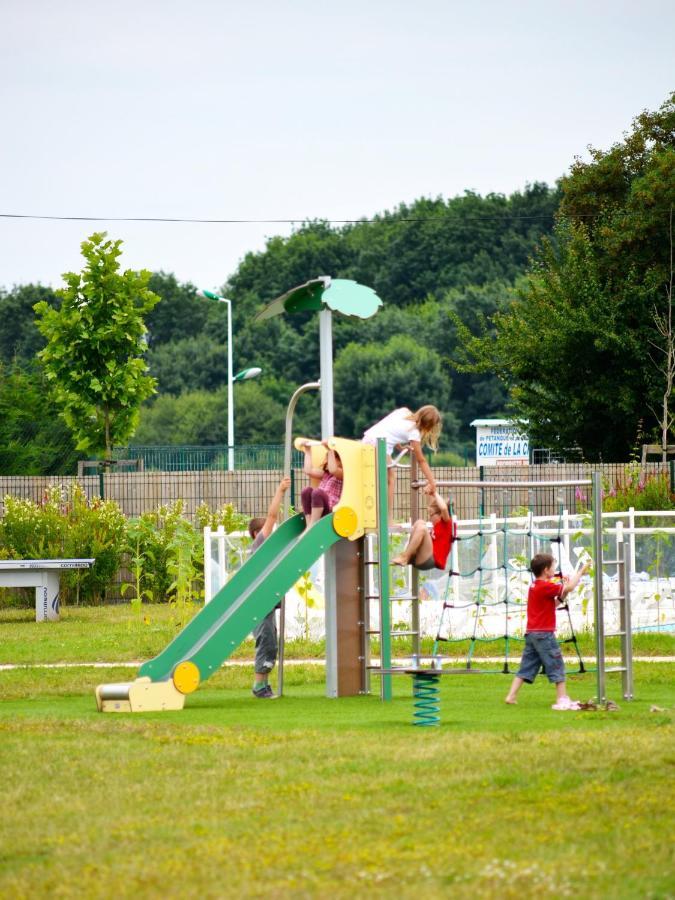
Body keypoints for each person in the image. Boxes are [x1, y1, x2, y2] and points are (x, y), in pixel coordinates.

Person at [505, 552, 590, 710]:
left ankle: (511, 696)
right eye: (553, 567)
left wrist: (562, 590)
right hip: (544, 634)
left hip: (532, 634)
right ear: (546, 570)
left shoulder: (535, 586)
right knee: (556, 664)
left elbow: (554, 604)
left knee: (526, 666)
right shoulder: (546, 586)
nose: (554, 570)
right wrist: (581, 572)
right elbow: (570, 587)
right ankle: (562, 699)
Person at [248, 474, 291, 699]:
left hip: (266, 604)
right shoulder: (260, 544)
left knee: (271, 643)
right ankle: (259, 686)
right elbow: (273, 515)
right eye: (266, 529)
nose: (270, 531)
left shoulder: (265, 549)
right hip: (259, 605)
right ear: (258, 533)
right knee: (265, 641)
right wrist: (280, 491)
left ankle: (264, 684)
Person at [362, 405, 441, 522]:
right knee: (390, 479)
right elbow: (421, 460)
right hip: (379, 445)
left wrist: (400, 447)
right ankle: (387, 519)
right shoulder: (414, 432)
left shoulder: (403, 412)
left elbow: (389, 429)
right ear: (428, 426)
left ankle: (379, 516)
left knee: (376, 479)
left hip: (369, 439)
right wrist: (432, 481)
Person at [390, 491, 455, 571]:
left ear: (440, 515)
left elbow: (444, 508)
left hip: (430, 560)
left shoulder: (447, 523)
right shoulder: (439, 525)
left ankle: (405, 556)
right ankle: (410, 556)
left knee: (422, 528)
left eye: (431, 515)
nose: (429, 518)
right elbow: (433, 505)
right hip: (424, 555)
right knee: (419, 522)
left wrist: (434, 492)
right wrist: (430, 491)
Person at [300, 441, 343, 529]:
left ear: (339, 461)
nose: (327, 461)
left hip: (330, 510)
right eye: (327, 458)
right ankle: (309, 524)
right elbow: (308, 471)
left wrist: (329, 449)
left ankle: (313, 525)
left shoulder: (342, 474)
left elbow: (333, 470)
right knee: (307, 491)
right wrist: (308, 451)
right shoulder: (326, 475)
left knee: (318, 492)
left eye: (331, 458)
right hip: (318, 508)